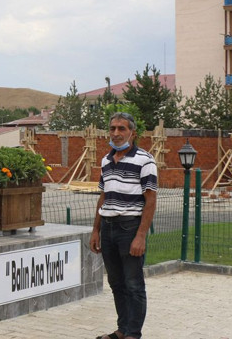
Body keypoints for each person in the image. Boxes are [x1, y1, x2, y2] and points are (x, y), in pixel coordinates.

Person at [90, 112, 157, 339]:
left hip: (130, 228)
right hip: (108, 228)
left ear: (132, 132)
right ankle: (122, 330)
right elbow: (103, 197)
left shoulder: (145, 160)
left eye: (122, 129)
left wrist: (140, 236)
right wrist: (96, 230)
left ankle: (133, 334)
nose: (116, 133)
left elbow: (150, 200)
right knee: (116, 283)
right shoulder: (106, 161)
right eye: (113, 129)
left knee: (133, 284)